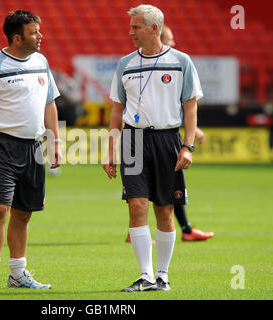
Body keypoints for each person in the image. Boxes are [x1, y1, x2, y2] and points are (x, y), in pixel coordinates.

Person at [103, 4, 203, 292]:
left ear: (154, 28)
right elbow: (116, 110)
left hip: (168, 140)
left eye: (136, 27)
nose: (130, 32)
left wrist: (188, 146)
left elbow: (190, 107)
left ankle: (162, 276)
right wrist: (110, 150)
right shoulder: (124, 64)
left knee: (164, 210)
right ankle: (145, 276)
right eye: (131, 26)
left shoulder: (181, 61)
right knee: (136, 206)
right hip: (133, 141)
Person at [0, 10, 62, 292]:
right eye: (34, 32)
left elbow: (49, 104)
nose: (40, 36)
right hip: (3, 146)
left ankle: (18, 274)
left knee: (24, 212)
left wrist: (54, 142)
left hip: (33, 147)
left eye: (39, 30)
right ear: (17, 37)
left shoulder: (42, 61)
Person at [125, 24, 214, 243]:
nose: (173, 44)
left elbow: (171, 107)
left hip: (162, 138)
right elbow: (139, 106)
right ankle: (180, 229)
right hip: (135, 138)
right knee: (142, 200)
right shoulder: (132, 65)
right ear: (160, 38)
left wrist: (189, 139)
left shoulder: (178, 64)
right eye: (170, 40)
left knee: (165, 199)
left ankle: (182, 230)